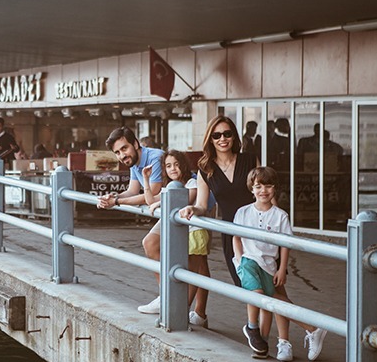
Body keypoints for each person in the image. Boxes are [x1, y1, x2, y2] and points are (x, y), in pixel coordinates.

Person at [233, 166, 327, 361]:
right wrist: (240, 259)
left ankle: (271, 341)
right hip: (249, 260)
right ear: (251, 188)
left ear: (275, 189)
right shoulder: (243, 212)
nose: (263, 191)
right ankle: (252, 328)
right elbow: (236, 237)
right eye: (258, 186)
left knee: (272, 302)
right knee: (257, 295)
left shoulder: (280, 216)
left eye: (268, 186)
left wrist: (283, 268)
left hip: (269, 265)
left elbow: (285, 245)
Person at [179, 115, 258, 287]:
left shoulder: (250, 160)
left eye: (227, 134)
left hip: (257, 227)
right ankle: (254, 316)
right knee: (243, 283)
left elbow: (266, 195)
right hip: (230, 231)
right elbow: (201, 204)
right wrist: (192, 209)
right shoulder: (205, 169)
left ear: (234, 136)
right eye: (217, 135)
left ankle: (287, 315)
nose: (223, 139)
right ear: (210, 139)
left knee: (271, 286)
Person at [137, 150, 212, 326]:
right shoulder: (168, 185)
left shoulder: (192, 182)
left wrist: (160, 202)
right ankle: (169, 297)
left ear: (183, 165)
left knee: (193, 272)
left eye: (176, 165)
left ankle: (179, 311)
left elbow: (188, 198)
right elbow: (150, 201)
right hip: (179, 231)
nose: (173, 169)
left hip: (194, 231)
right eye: (168, 165)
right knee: (153, 247)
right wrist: (146, 179)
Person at [97, 126, 164, 209]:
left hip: (179, 209)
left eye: (124, 148)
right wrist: (112, 197)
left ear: (135, 144)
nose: (122, 156)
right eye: (117, 152)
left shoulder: (155, 158)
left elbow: (152, 195)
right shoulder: (133, 160)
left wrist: (116, 201)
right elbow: (132, 191)